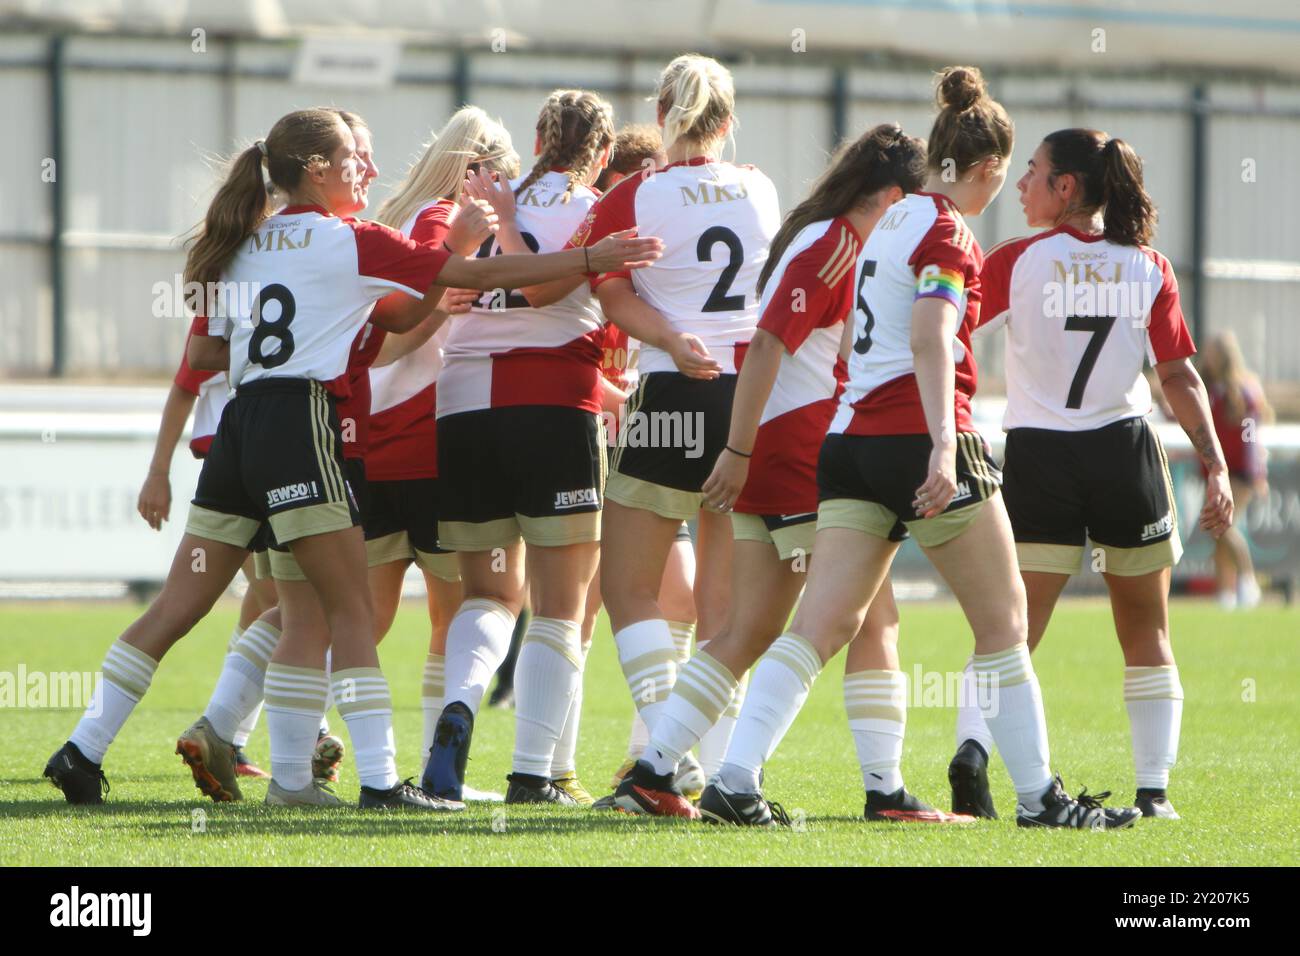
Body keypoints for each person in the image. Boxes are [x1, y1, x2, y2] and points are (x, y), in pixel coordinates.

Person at [43, 106, 662, 808]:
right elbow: (475, 274)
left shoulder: (249, 241)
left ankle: (85, 749)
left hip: (241, 429)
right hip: (303, 428)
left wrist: (335, 327)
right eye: (352, 158)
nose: (366, 168)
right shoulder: (350, 241)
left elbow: (212, 352)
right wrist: (588, 258)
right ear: (315, 169)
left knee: (188, 606)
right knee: (346, 614)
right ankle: (379, 781)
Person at [700, 67, 1140, 830]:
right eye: (1022, 172)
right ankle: (1042, 800)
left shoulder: (894, 218)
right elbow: (933, 334)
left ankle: (733, 779)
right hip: (917, 437)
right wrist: (944, 447)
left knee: (818, 628)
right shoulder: (946, 231)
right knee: (1003, 626)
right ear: (992, 169)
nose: (1023, 184)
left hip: (847, 443)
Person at [613, 124, 926, 819]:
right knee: (863, 618)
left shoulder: (824, 236)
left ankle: (654, 773)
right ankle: (860, 788)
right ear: (894, 197)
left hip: (782, 445)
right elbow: (766, 347)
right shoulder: (835, 246)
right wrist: (740, 450)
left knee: (749, 628)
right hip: (801, 449)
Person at [952, 126, 1234, 821]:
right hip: (1122, 452)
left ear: (1066, 188)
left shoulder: (1015, 262)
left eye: (1036, 173)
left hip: (1039, 456)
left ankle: (972, 752)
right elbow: (1178, 375)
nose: (1021, 184)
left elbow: (944, 328)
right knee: (1146, 628)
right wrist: (1216, 461)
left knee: (1009, 626)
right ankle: (1154, 793)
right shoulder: (1149, 268)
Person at [568, 56, 782, 803]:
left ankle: (664, 753)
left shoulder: (638, 193)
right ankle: (715, 766)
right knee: (724, 608)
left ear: (662, 113)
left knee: (627, 590)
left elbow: (613, 295)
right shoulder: (760, 186)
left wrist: (668, 339)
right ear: (728, 121)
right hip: (749, 399)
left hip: (672, 398)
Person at [422, 89, 623, 806]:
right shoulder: (594, 209)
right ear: (601, 153)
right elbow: (546, 293)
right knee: (562, 605)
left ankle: (461, 708)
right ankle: (533, 775)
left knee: (487, 596)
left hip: (464, 404)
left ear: (539, 136)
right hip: (551, 403)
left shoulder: (478, 201)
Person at [368, 106, 520, 801]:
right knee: (457, 611)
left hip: (369, 434)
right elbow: (409, 330)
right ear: (477, 173)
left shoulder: (402, 215)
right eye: (501, 175)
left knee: (353, 615)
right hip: (424, 434)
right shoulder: (442, 222)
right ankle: (436, 770)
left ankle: (283, 746)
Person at [586, 124, 705, 803]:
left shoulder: (656, 265)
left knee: (680, 597)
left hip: (648, 430)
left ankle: (650, 752)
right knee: (572, 608)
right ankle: (543, 766)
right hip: (595, 435)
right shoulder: (593, 255)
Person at [138, 334, 277, 777]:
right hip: (236, 458)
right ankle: (238, 733)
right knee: (286, 602)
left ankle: (233, 740)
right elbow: (185, 384)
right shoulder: (224, 288)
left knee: (266, 603)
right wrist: (158, 472)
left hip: (268, 454)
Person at [1197, 331, 1270, 609]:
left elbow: (1252, 433)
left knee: (1223, 526)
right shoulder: (1205, 387)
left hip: (1240, 472)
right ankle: (1225, 593)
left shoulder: (1244, 390)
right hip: (1217, 471)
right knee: (1218, 531)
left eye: (1214, 353)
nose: (1209, 358)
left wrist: (1256, 472)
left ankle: (1249, 582)